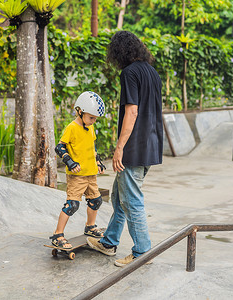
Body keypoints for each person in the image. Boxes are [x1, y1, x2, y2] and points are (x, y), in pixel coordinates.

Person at [87, 31, 163, 267]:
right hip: (150, 146)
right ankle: (109, 242)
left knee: (132, 201)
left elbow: (132, 111)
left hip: (135, 148)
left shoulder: (129, 73)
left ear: (119, 52)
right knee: (120, 198)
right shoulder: (153, 73)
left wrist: (119, 148)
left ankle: (142, 252)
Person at [50, 91, 107, 249]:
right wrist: (70, 162)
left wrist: (98, 162)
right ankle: (58, 234)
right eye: (91, 118)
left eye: (95, 118)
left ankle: (90, 227)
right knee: (72, 205)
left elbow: (91, 147)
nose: (93, 121)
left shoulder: (90, 127)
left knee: (96, 201)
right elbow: (60, 147)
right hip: (77, 176)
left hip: (91, 174)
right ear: (80, 111)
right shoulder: (72, 128)